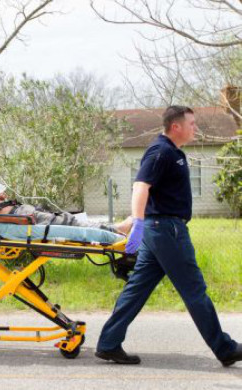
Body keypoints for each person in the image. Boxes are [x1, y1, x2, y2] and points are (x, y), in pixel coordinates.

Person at [95, 106, 241, 366]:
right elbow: (141, 186)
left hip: (159, 229)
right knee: (194, 289)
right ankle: (225, 348)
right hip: (167, 231)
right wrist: (138, 222)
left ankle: (108, 343)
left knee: (137, 288)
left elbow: (154, 195)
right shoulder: (161, 151)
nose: (195, 128)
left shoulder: (173, 153)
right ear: (176, 126)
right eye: (192, 124)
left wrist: (134, 222)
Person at [0, 149, 132, 234]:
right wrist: (19, 219)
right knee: (68, 223)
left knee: (66, 218)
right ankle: (116, 229)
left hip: (20, 211)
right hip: (20, 216)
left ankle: (113, 228)